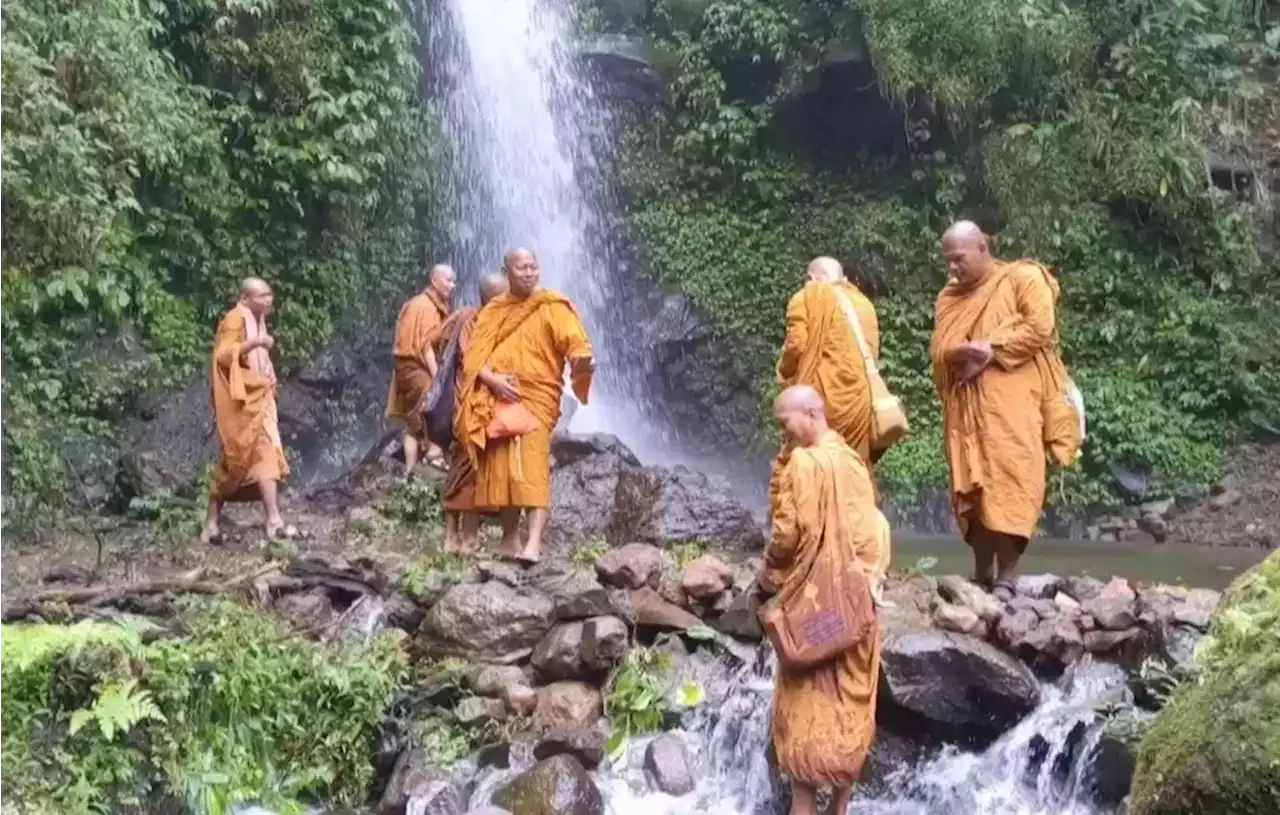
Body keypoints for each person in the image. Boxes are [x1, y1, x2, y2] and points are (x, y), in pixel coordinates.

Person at [763, 385, 889, 815]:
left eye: (786, 423)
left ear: (811, 413)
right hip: (856, 609)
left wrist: (771, 574)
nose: (784, 433)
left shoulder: (803, 463)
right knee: (846, 718)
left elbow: (786, 534)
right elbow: (870, 532)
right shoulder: (853, 461)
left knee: (804, 765)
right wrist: (865, 587)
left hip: (815, 607)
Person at [930, 220, 1069, 601]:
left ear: (983, 247)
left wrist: (988, 348)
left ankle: (1007, 576)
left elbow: (1040, 327)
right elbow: (940, 350)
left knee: (1011, 480)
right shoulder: (949, 298)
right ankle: (981, 571)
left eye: (959, 259)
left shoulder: (1022, 278)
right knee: (971, 487)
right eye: (948, 261)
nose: (953, 268)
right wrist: (955, 354)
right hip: (965, 411)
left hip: (1012, 409)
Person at [455, 248, 595, 565]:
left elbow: (574, 340)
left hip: (536, 399)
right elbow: (475, 360)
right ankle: (509, 540)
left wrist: (581, 360)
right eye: (522, 268)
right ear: (508, 272)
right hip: (500, 401)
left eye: (533, 267)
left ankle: (532, 544)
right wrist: (494, 382)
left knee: (532, 468)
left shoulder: (552, 305)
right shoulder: (494, 311)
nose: (530, 273)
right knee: (504, 469)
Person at [422, 271, 509, 553]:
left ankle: (457, 537)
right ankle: (462, 538)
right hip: (470, 407)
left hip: (471, 406)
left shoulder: (464, 316)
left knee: (463, 469)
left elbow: (429, 341)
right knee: (470, 468)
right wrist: (439, 375)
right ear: (492, 298)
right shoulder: (477, 323)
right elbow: (475, 364)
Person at [201, 278, 291, 544]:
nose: (268, 300)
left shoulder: (257, 319)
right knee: (236, 460)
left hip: (259, 398)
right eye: (262, 296)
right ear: (244, 297)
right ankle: (214, 523)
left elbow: (260, 362)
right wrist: (255, 343)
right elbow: (225, 354)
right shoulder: (234, 319)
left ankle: (271, 520)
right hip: (243, 401)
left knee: (263, 453)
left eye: (269, 295)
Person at [775, 256, 882, 467]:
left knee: (811, 463)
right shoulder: (865, 305)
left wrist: (784, 373)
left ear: (812, 278)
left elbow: (796, 346)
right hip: (859, 403)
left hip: (820, 401)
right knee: (852, 465)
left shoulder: (807, 297)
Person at [386, 264, 456, 475]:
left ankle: (410, 471)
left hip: (408, 367)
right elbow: (425, 345)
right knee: (433, 409)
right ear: (434, 280)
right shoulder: (423, 306)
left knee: (413, 422)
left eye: (454, 281)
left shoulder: (433, 305)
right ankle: (433, 455)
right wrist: (438, 378)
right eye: (448, 280)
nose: (452, 286)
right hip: (416, 366)